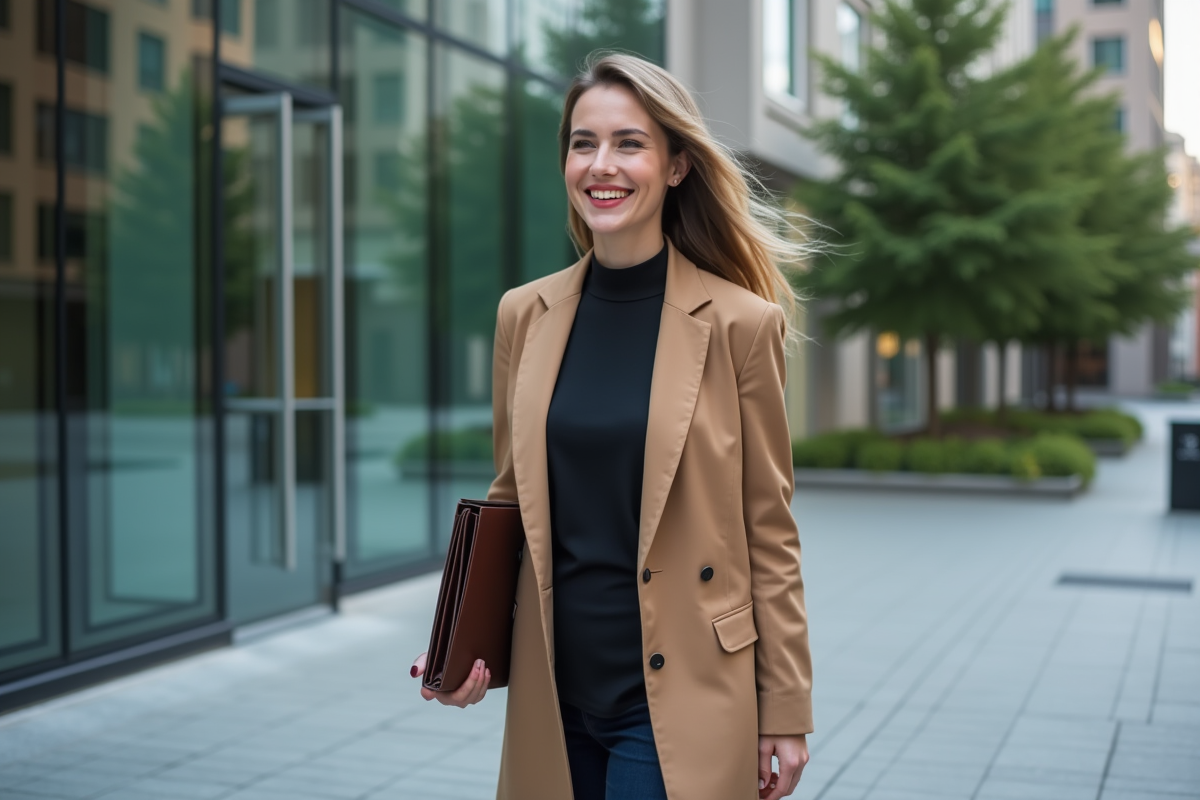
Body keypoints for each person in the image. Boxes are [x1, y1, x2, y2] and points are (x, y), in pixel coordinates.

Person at [411, 51, 814, 800]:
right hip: (552, 688)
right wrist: (466, 652)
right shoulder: (523, 315)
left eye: (629, 143)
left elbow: (770, 531)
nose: (602, 164)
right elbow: (511, 499)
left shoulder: (740, 326)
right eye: (582, 142)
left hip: (683, 692)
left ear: (675, 167)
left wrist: (785, 710)